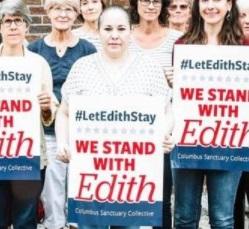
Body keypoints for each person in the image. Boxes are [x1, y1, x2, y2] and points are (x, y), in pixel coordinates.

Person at [56, 5, 174, 229]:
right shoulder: (82, 67)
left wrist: (164, 134)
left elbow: (166, 110)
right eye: (108, 28)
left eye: (121, 29)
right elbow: (64, 112)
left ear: (130, 31)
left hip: (135, 174)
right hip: (90, 175)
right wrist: (63, 143)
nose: (114, 35)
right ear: (98, 31)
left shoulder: (149, 68)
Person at [170, 0, 244, 228]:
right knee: (183, 217)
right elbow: (179, 98)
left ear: (230, 6)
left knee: (222, 219)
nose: (211, 6)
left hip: (229, 142)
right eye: (204, 0)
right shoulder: (182, 45)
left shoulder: (245, 47)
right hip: (188, 140)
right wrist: (173, 81)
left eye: (218, 0)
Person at [28, 0, 97, 228]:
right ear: (48, 11)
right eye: (57, 8)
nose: (63, 14)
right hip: (46, 130)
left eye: (69, 8)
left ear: (76, 13)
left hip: (81, 131)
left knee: (81, 188)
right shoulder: (34, 50)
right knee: (52, 194)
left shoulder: (87, 49)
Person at [0, 0, 56, 228]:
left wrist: (46, 107)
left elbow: (49, 113)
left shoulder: (38, 63)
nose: (13, 26)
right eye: (7, 21)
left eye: (19, 20)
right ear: (0, 27)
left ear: (27, 26)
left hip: (28, 156)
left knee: (25, 219)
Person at [129, 0, 182, 228]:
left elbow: (191, 86)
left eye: (156, 1)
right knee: (129, 195)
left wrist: (177, 81)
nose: (150, 6)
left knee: (161, 197)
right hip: (128, 128)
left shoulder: (177, 40)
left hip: (163, 127)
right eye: (144, 0)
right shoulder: (123, 36)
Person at [233, 1, 249, 228]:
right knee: (233, 200)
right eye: (243, 15)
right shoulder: (228, 48)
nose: (247, 20)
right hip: (234, 137)